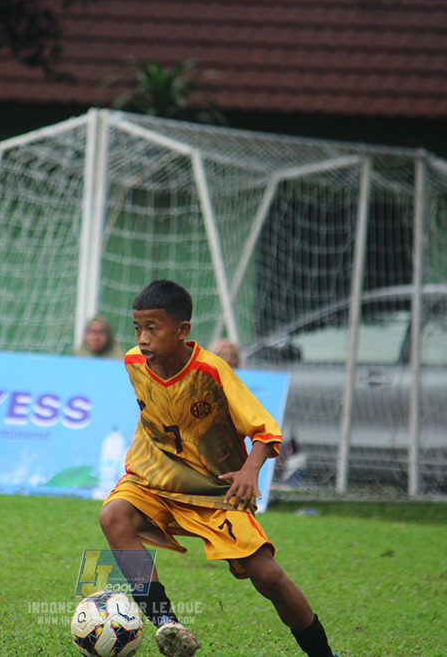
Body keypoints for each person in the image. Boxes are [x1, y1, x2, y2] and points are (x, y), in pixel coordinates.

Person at [99, 280, 336, 657]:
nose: (142, 338)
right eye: (137, 329)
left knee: (268, 577)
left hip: (215, 490)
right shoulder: (133, 363)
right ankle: (166, 623)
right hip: (154, 480)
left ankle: (324, 655)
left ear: (182, 331)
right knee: (113, 516)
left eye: (152, 328)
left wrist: (249, 471)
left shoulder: (212, 372)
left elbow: (263, 429)